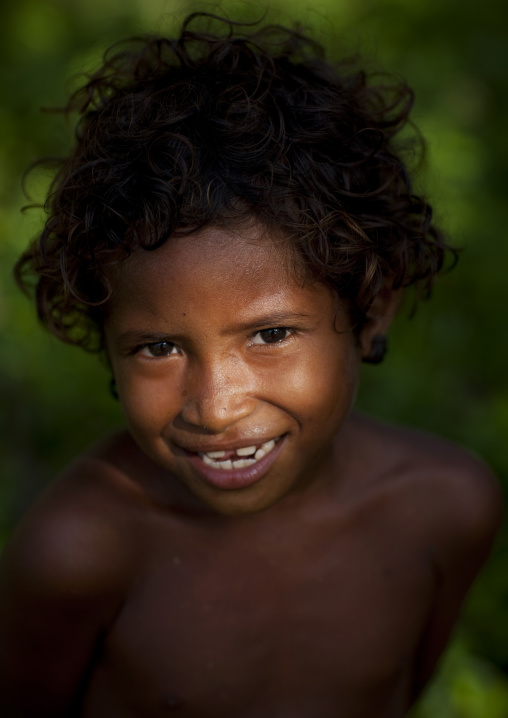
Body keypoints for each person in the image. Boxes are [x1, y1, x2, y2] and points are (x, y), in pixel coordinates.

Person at [0, 12, 502, 717]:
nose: (216, 405)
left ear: (372, 305)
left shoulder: (445, 507)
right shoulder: (80, 551)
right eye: (159, 347)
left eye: (269, 334)